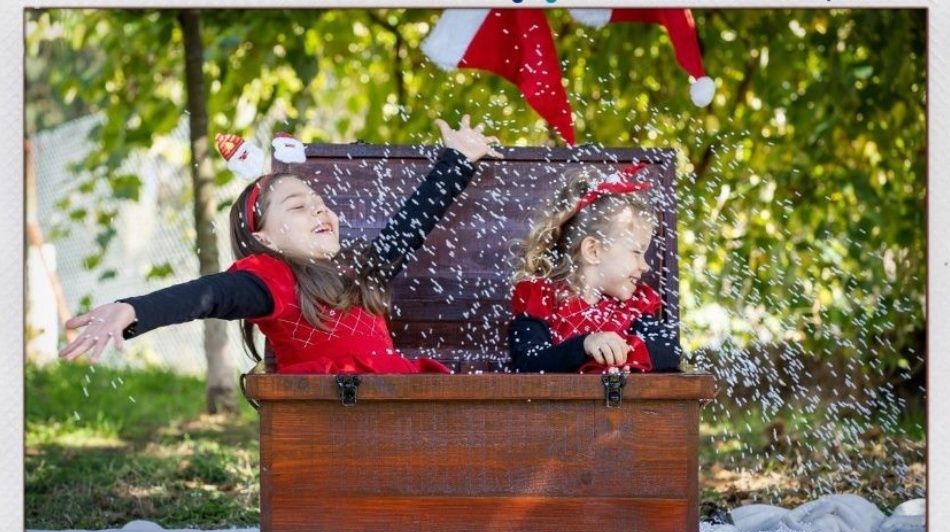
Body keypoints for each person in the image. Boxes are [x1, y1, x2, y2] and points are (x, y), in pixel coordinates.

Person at [59, 116, 503, 374]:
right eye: (297, 206)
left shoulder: (360, 273)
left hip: (393, 408)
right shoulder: (270, 280)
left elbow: (412, 222)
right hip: (327, 421)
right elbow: (205, 296)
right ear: (263, 237)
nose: (318, 211)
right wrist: (134, 309)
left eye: (320, 204)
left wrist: (459, 159)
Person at [507, 163, 681, 373]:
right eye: (636, 252)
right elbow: (528, 362)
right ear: (593, 251)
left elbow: (670, 351)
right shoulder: (541, 300)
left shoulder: (634, 307)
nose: (645, 266)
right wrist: (585, 345)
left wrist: (618, 357)